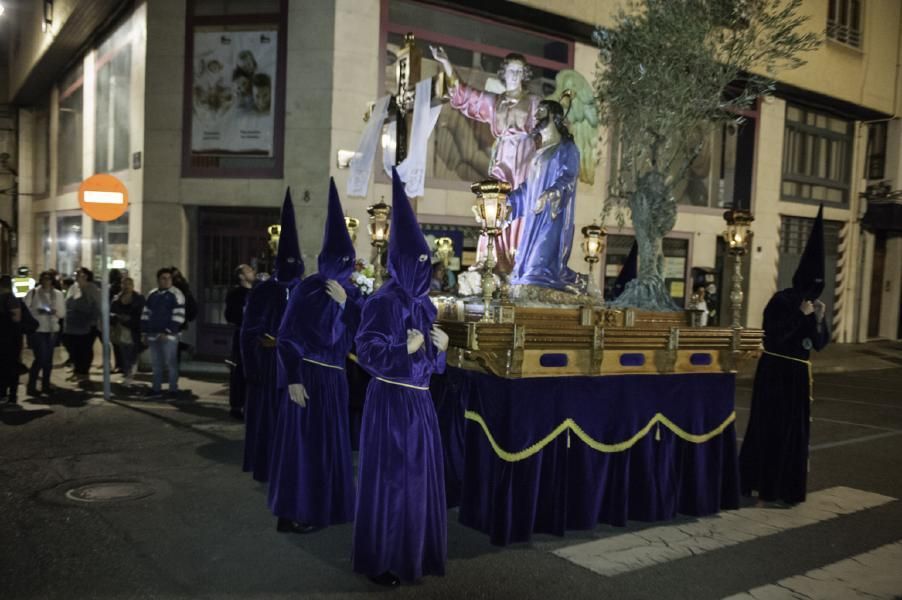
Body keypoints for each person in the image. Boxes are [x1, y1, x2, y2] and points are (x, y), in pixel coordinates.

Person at [352, 169, 449, 587]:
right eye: (418, 264)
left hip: (420, 406)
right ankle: (385, 560)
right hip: (391, 404)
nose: (424, 272)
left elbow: (431, 367)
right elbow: (366, 352)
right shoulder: (383, 301)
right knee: (391, 483)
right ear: (403, 264)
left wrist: (439, 351)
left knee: (418, 483)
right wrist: (402, 350)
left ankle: (415, 554)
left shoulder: (426, 306)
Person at [269, 178, 361, 534]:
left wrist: (346, 304)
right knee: (303, 449)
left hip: (334, 381)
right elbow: (287, 336)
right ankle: (294, 512)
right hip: (309, 378)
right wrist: (292, 376)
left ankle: (323, 506)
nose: (345, 267)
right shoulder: (308, 287)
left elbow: (363, 332)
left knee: (327, 447)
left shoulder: (350, 294)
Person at [740, 205, 830, 507]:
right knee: (770, 428)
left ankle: (787, 488)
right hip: (776, 373)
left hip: (799, 377)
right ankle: (759, 483)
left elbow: (819, 344)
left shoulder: (813, 304)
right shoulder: (781, 300)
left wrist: (818, 319)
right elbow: (774, 336)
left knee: (795, 434)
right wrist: (799, 316)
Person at [431, 47, 540, 272]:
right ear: (504, 73)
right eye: (511, 71)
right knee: (494, 205)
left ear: (525, 75)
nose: (515, 76)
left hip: (524, 161)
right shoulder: (495, 102)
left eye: (520, 72)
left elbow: (552, 126)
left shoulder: (533, 103)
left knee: (521, 205)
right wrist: (446, 63)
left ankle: (518, 259)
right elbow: (465, 95)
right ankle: (492, 257)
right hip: (502, 161)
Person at [240, 190, 303, 482]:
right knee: (270, 422)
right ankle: (268, 466)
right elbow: (249, 332)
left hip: (297, 369)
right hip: (269, 372)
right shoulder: (264, 291)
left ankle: (290, 469)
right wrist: (254, 370)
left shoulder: (306, 291)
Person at [507, 100, 580, 291]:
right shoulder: (538, 153)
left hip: (552, 218)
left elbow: (569, 177)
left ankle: (568, 281)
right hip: (533, 221)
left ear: (554, 116)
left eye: (542, 110)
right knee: (523, 271)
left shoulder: (567, 148)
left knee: (536, 270)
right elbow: (528, 189)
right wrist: (508, 202)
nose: (536, 114)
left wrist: (550, 194)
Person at [140, 268, 186, 399]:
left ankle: (173, 390)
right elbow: (145, 314)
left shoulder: (176, 294)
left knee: (171, 363)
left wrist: (167, 331)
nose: (166, 281)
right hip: (153, 334)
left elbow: (179, 316)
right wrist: (144, 332)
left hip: (169, 336)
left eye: (169, 278)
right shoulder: (152, 294)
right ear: (158, 280)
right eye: (163, 278)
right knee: (156, 364)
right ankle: (156, 388)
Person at [23, 271, 66, 396]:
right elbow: (26, 311)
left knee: (48, 360)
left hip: (52, 329)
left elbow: (62, 313)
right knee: (40, 358)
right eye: (44, 278)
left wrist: (53, 312)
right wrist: (38, 312)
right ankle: (31, 386)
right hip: (38, 330)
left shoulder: (58, 294)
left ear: (52, 281)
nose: (46, 281)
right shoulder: (33, 293)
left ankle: (45, 385)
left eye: (49, 278)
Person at [224, 263, 256, 420]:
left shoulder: (257, 292)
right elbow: (230, 315)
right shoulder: (236, 294)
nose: (253, 272)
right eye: (249, 270)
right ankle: (237, 406)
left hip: (255, 336)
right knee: (239, 371)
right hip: (242, 335)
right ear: (242, 276)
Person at [1, 276, 39, 403]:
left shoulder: (9, 298)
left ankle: (4, 393)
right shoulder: (12, 298)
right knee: (12, 364)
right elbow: (16, 319)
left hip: (7, 337)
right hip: (12, 337)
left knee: (6, 365)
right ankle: (11, 394)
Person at [64, 268, 101, 383]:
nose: (77, 276)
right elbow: (68, 302)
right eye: (76, 274)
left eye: (80, 274)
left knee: (84, 349)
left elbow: (97, 305)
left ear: (86, 276)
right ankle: (77, 370)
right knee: (73, 347)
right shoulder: (73, 287)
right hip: (72, 324)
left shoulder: (92, 288)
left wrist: (93, 320)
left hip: (87, 324)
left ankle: (83, 372)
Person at [111, 277, 145, 387]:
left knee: (133, 353)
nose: (127, 286)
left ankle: (130, 376)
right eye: (124, 284)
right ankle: (127, 375)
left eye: (129, 284)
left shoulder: (139, 298)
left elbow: (143, 315)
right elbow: (111, 313)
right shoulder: (116, 299)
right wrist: (118, 317)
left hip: (134, 330)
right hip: (121, 330)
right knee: (123, 354)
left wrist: (130, 319)